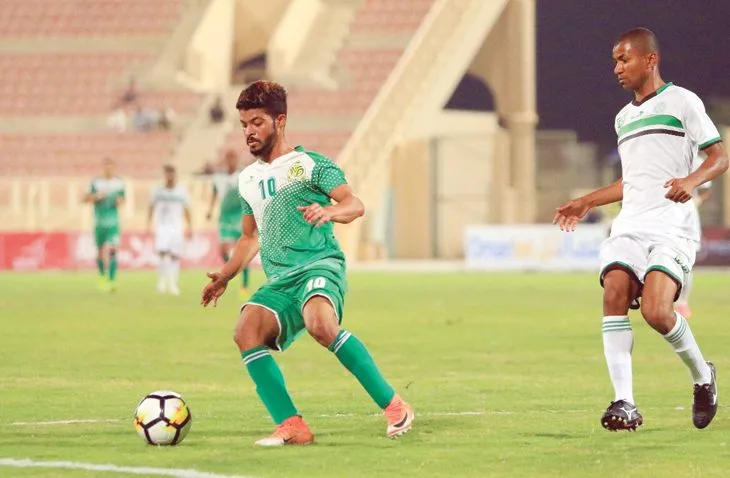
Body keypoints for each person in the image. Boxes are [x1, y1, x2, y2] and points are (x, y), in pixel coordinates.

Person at [200, 80, 414, 446]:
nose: (249, 132)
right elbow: (250, 238)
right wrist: (226, 275)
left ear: (280, 121)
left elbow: (354, 204)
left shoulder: (310, 164)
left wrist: (330, 211)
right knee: (245, 332)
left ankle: (395, 407)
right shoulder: (248, 179)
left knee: (320, 324)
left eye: (257, 122)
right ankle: (292, 424)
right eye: (244, 124)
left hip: (319, 265)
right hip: (281, 279)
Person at [553, 28, 728, 432]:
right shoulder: (624, 118)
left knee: (656, 313)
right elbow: (631, 182)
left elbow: (719, 157)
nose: (617, 68)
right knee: (614, 290)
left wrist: (691, 181)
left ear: (650, 60)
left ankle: (703, 376)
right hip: (630, 225)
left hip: (670, 227)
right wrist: (586, 201)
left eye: (624, 59)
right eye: (615, 60)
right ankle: (625, 401)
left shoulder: (683, 101)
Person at [206, 150, 251, 298]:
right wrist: (210, 209)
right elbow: (214, 193)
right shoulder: (219, 177)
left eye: (233, 158)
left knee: (243, 251)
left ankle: (244, 285)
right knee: (223, 251)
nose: (231, 161)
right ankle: (233, 269)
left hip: (240, 216)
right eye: (228, 158)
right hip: (224, 218)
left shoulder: (243, 175)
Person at [675, 154, 713, 319]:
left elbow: (707, 187)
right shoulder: (661, 155)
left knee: (686, 263)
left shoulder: (696, 160)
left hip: (687, 217)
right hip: (662, 215)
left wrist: (699, 199)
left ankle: (682, 303)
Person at [148, 165, 192, 295]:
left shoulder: (181, 191)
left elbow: (187, 208)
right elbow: (151, 207)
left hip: (176, 228)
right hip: (162, 227)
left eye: (171, 173)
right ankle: (162, 282)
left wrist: (189, 226)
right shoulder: (157, 191)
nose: (169, 176)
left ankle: (173, 283)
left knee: (174, 255)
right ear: (164, 175)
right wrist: (148, 223)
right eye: (167, 173)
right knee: (162, 253)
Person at [83, 158, 125, 292]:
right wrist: (97, 197)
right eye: (106, 166)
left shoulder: (119, 183)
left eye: (110, 167)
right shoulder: (95, 182)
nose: (108, 169)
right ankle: (102, 276)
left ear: (114, 168)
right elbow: (85, 198)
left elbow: (122, 199)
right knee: (100, 251)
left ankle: (112, 279)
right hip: (99, 222)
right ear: (102, 168)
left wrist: (118, 201)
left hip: (113, 223)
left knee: (113, 249)